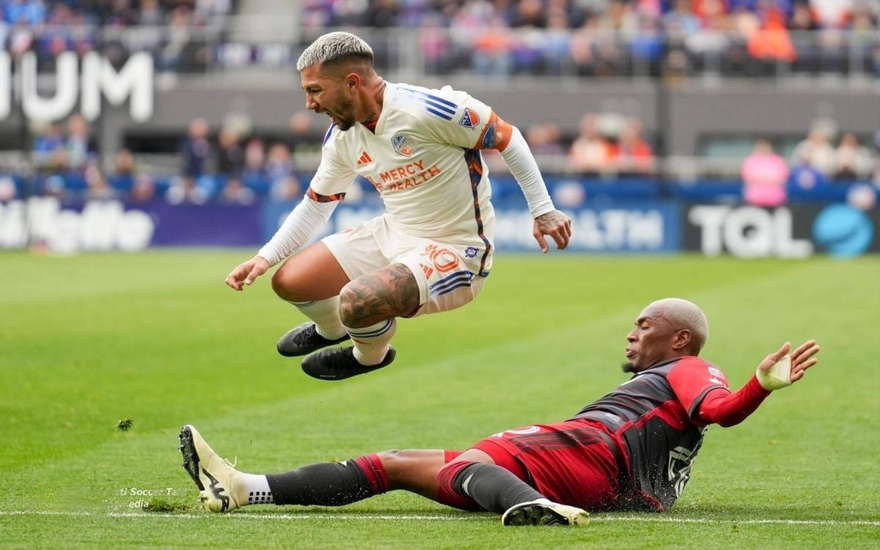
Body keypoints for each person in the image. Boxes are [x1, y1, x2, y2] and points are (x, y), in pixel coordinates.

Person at [179, 298, 820, 526]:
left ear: (679, 338)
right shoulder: (667, 374)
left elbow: (722, 409)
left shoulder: (686, 367)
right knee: (396, 464)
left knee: (487, 455)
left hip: (597, 455)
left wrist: (761, 384)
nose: (631, 335)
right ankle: (245, 489)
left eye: (643, 326)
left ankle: (524, 504)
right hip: (604, 470)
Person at [224, 32, 572, 381]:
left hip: (456, 250)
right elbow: (316, 205)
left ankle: (368, 355)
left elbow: (508, 138)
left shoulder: (429, 109)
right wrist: (264, 257)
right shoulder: (342, 136)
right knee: (289, 281)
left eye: (314, 90)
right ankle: (333, 330)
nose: (309, 105)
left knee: (357, 301)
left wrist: (543, 209)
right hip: (394, 233)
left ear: (352, 83)